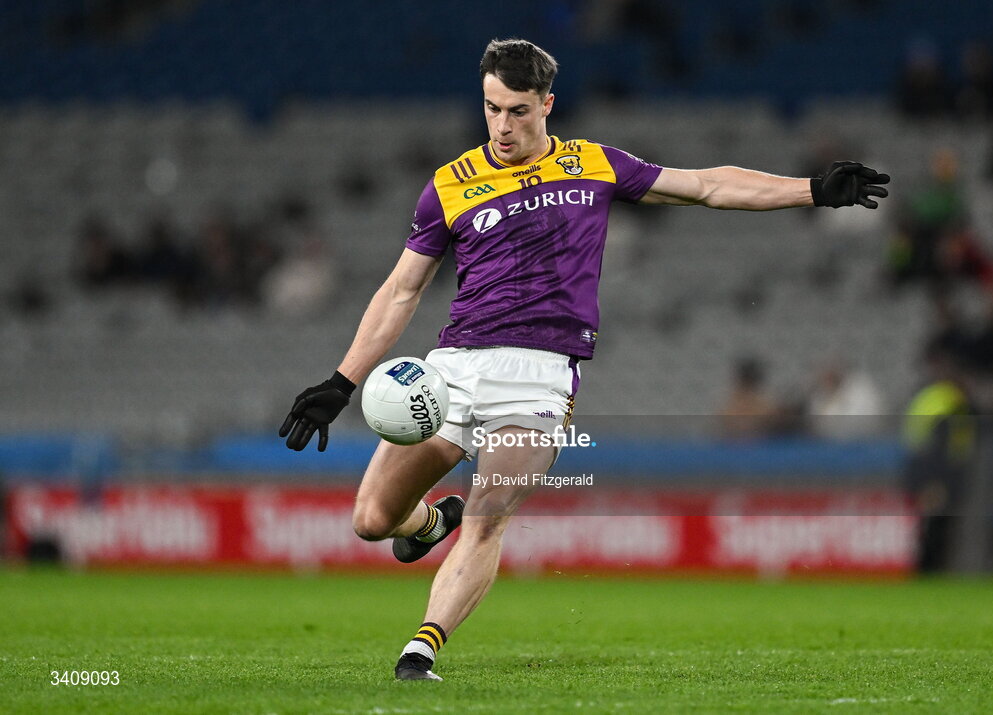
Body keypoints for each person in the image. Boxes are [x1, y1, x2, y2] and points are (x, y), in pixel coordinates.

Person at [278, 39, 890, 681]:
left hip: (539, 377)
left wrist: (812, 189)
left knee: (486, 518)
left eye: (518, 110)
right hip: (453, 368)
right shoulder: (450, 185)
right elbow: (402, 290)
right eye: (491, 109)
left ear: (547, 103)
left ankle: (420, 650)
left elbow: (706, 186)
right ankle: (431, 523)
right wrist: (341, 382)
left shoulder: (592, 164)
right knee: (372, 521)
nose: (503, 126)